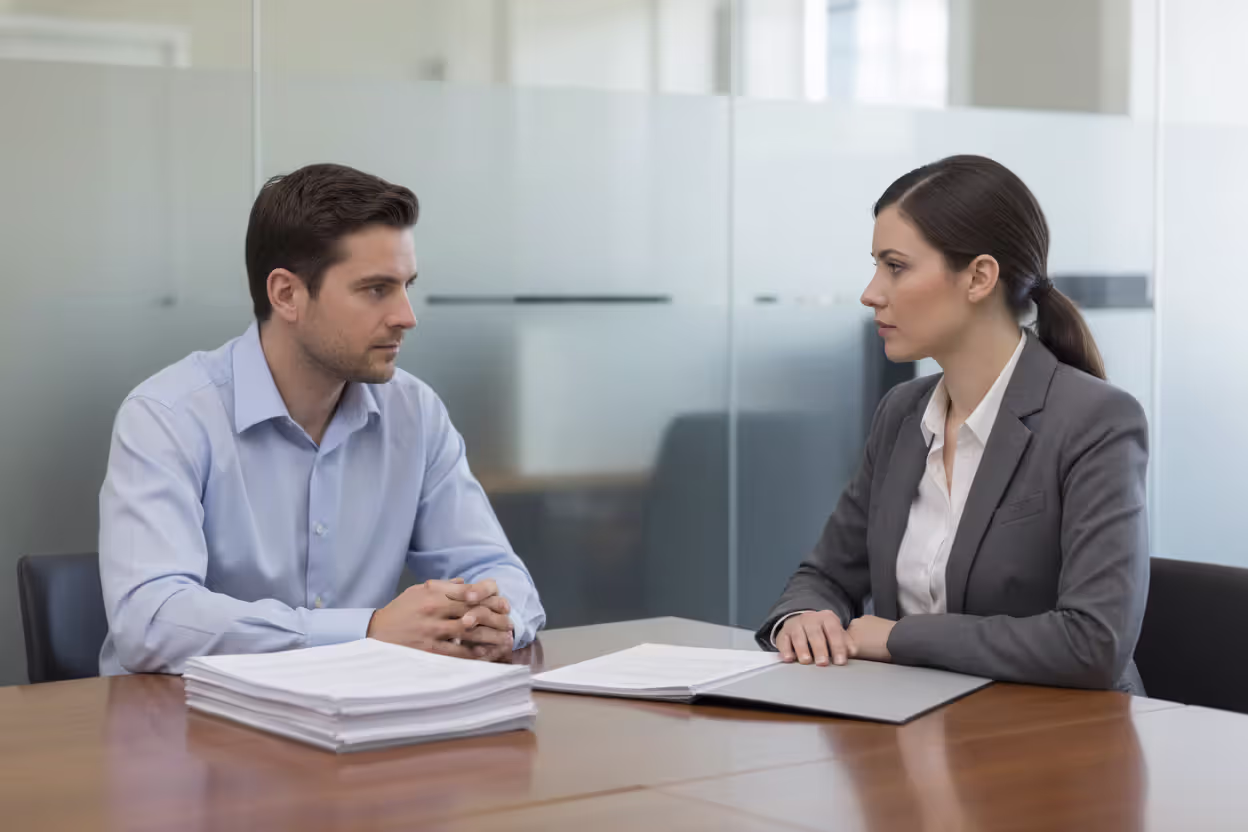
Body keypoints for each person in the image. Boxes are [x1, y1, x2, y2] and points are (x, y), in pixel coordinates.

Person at [98, 163, 545, 675]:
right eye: (377, 289)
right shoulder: (167, 416)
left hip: (358, 721)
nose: (406, 315)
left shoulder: (415, 413)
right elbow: (150, 621)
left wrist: (495, 619)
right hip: (186, 728)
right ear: (286, 294)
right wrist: (367, 631)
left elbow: (496, 572)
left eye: (406, 286)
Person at [758, 155, 1149, 693]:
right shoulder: (902, 412)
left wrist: (896, 639)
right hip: (913, 732)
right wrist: (804, 617)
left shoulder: (1096, 421)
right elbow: (825, 575)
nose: (871, 292)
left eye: (895, 266)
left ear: (979, 277)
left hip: (1061, 747)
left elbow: (1093, 643)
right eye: (876, 266)